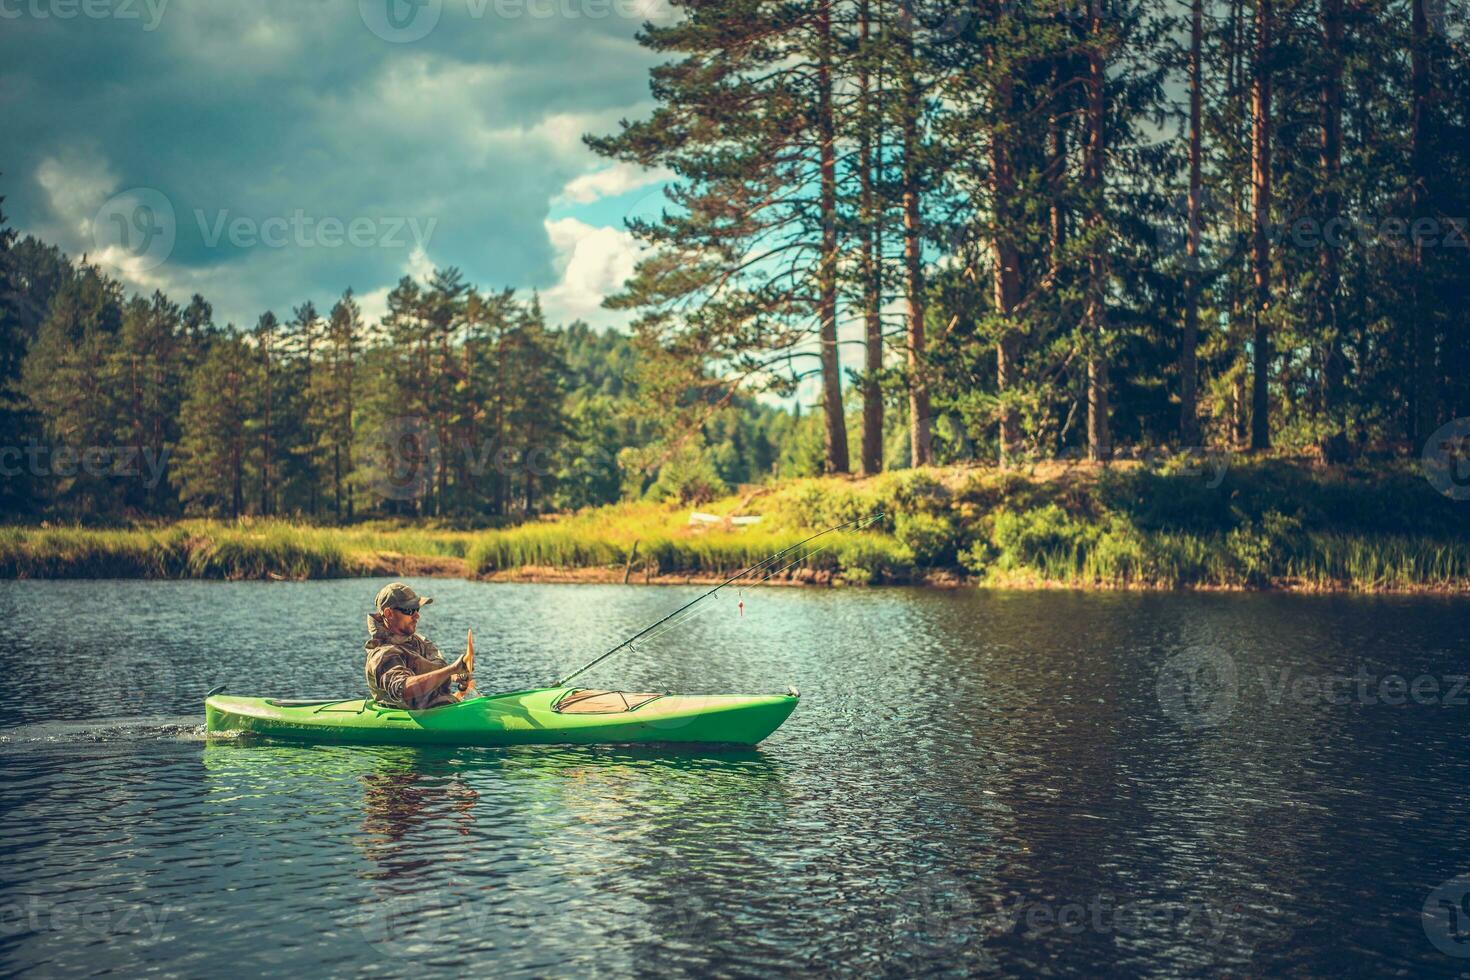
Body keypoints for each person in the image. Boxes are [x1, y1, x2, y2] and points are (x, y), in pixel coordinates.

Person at [364, 582, 471, 710]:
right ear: (389, 614)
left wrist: (456, 676)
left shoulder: (419, 642)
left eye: (417, 609)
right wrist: (451, 669)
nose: (417, 616)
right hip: (415, 717)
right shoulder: (383, 654)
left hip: (442, 708)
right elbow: (403, 689)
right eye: (409, 611)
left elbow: (433, 670)